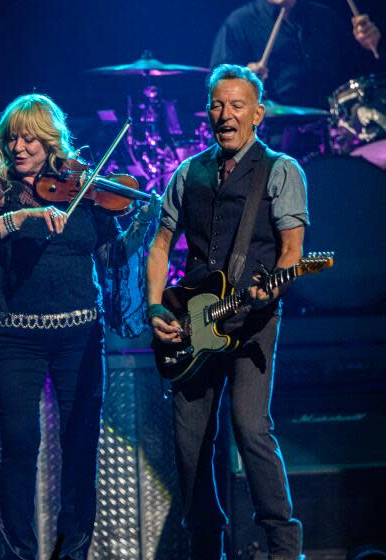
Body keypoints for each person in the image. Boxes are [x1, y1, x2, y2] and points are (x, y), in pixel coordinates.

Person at [0, 93, 160, 560]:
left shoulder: (82, 185)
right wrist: (20, 217)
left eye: (29, 137)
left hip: (78, 335)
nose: (18, 146)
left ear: (50, 141)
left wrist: (143, 228)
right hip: (14, 336)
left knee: (80, 441)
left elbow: (109, 254)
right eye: (11, 137)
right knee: (19, 441)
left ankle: (74, 553)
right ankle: (21, 553)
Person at [146, 64, 309, 560]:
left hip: (252, 320)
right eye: (218, 105)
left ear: (257, 114)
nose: (225, 114)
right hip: (193, 324)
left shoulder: (282, 170)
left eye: (237, 106)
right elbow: (160, 246)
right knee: (190, 440)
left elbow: (292, 252)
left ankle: (284, 547)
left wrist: (271, 293)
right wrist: (155, 307)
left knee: (250, 426)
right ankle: (205, 545)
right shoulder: (187, 172)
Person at [210, 0, 383, 107]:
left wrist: (370, 46)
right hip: (276, 139)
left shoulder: (324, 17)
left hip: (331, 133)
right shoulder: (239, 24)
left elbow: (359, 80)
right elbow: (215, 87)